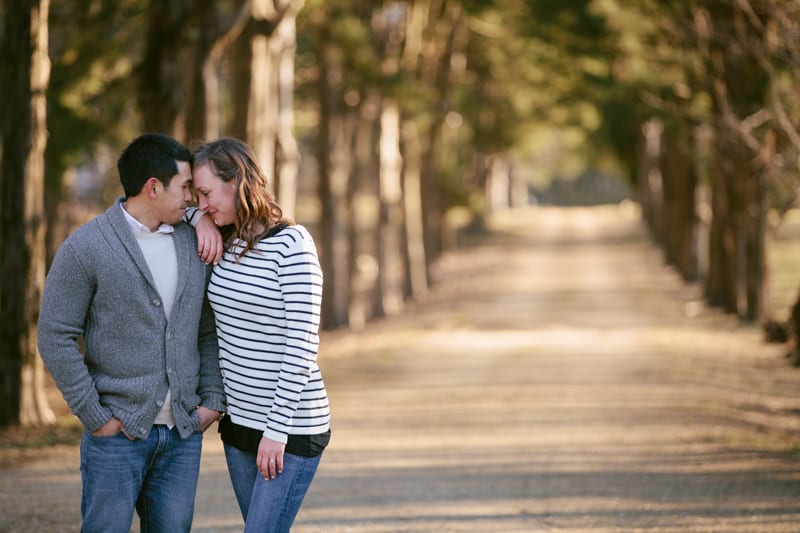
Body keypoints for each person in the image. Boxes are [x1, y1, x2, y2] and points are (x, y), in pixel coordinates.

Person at [37, 133, 226, 533]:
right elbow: (55, 335)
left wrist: (211, 401)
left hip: (182, 436)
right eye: (186, 187)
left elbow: (207, 330)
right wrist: (95, 415)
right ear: (153, 188)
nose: (192, 197)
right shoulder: (85, 247)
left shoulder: (195, 243)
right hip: (115, 437)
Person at [191, 137, 331, 532]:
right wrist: (199, 219)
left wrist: (276, 431)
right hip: (239, 427)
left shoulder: (293, 245)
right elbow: (177, 210)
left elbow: (302, 345)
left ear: (236, 180)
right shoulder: (225, 237)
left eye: (206, 194)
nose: (202, 203)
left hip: (290, 428)